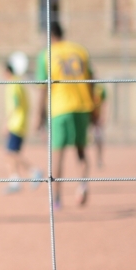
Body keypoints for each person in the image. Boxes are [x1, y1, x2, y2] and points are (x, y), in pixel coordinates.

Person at [36, 21, 94, 209]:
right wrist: (94, 108)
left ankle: (57, 199)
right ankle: (82, 187)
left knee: (58, 156)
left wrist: (38, 115)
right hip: (83, 106)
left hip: (60, 109)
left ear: (51, 36)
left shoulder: (47, 54)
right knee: (81, 152)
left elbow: (43, 89)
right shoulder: (81, 51)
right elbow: (92, 81)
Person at [2, 58, 42, 194]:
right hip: (20, 123)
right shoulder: (18, 82)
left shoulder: (14, 84)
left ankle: (34, 171)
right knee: (11, 153)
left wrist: (7, 122)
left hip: (16, 123)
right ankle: (15, 181)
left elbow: (15, 104)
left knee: (11, 153)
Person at [90, 84, 107, 168]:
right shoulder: (84, 84)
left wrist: (103, 116)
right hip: (86, 117)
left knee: (99, 139)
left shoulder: (100, 88)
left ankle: (99, 159)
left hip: (96, 118)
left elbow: (104, 102)